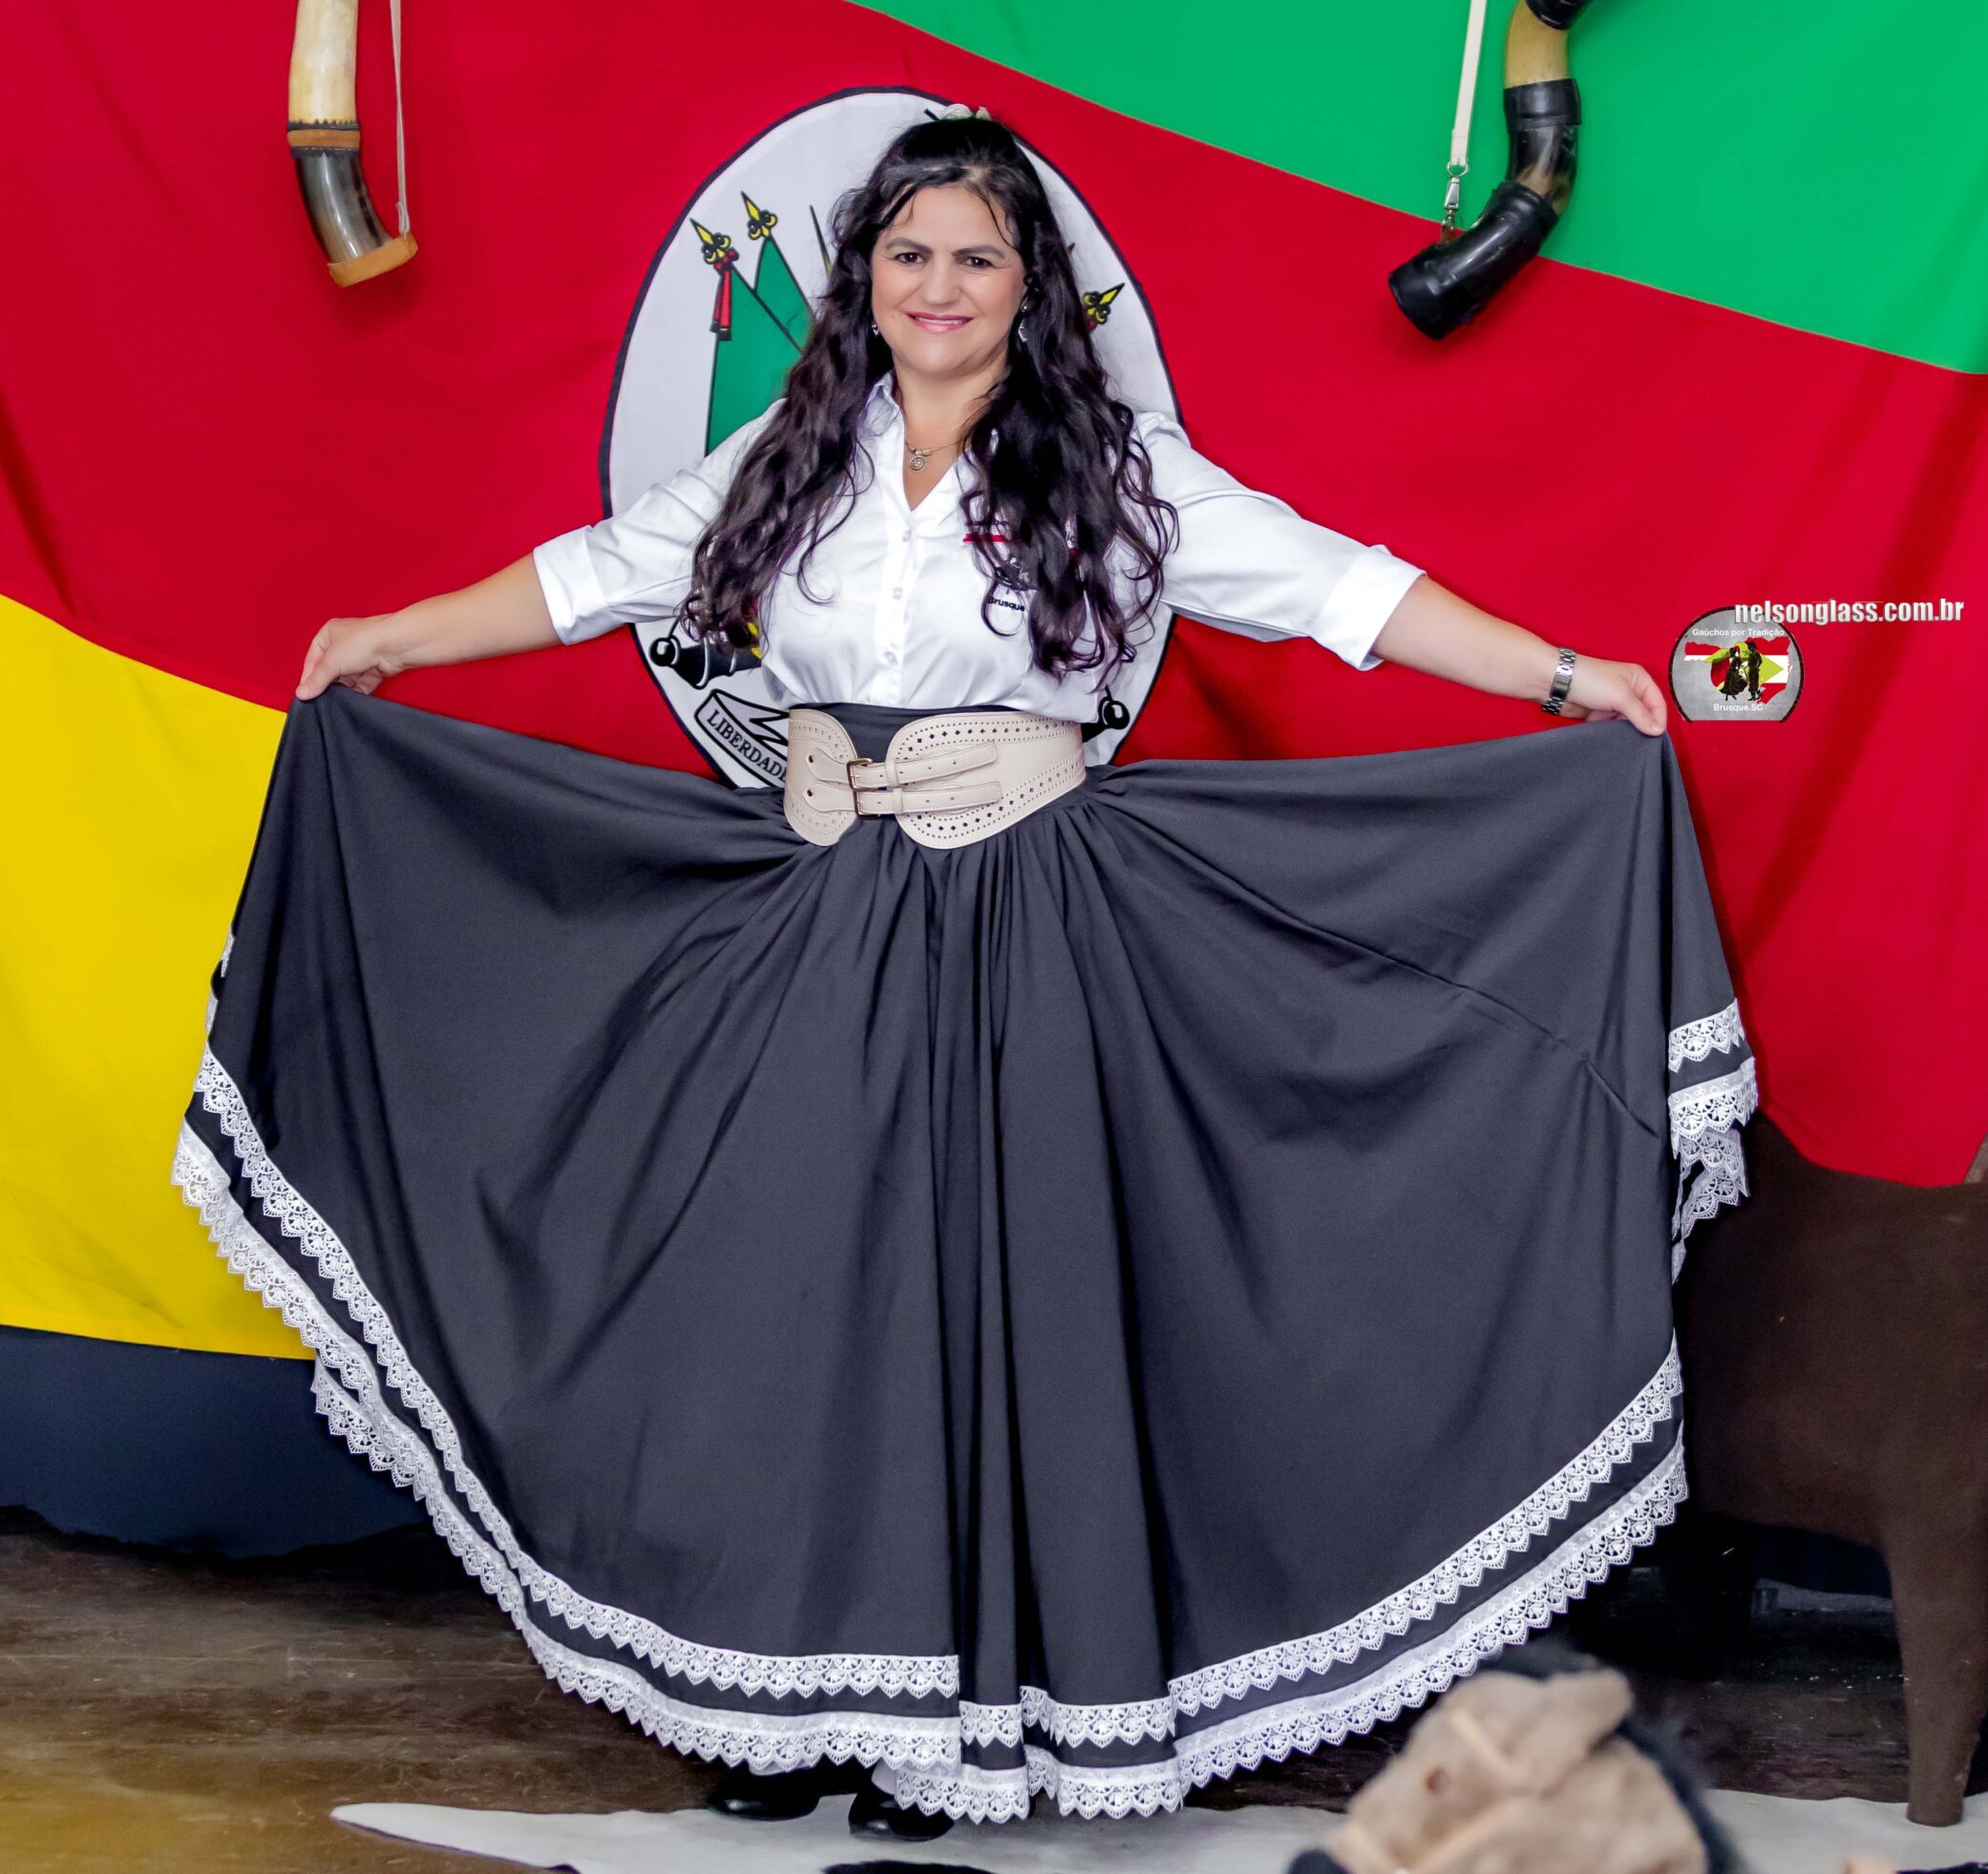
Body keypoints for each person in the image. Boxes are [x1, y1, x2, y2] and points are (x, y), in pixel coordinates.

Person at [174, 109, 1756, 1836]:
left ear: (1028, 288)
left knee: (974, 1314)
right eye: (909, 252)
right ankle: (790, 1705)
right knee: (787, 1305)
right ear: (865, 274)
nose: (938, 285)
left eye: (976, 258)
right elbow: (595, 575)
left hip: (1026, 932)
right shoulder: (793, 454)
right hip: (813, 929)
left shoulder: (1115, 469)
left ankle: (952, 1723)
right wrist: (398, 635)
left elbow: (1333, 589)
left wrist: (1553, 676)